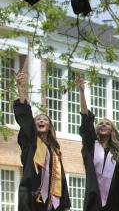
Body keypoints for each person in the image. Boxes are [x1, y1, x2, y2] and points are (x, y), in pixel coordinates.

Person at [14, 69, 71, 211]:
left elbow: (61, 178)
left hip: (52, 202)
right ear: (33, 125)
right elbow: (25, 117)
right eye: (38, 119)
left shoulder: (55, 151)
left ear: (49, 126)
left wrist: (65, 205)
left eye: (44, 119)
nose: (41, 120)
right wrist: (21, 87)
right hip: (32, 198)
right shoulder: (31, 142)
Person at [76, 77, 119, 210]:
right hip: (93, 199)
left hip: (115, 201)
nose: (103, 124)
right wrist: (82, 93)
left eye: (107, 123)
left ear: (112, 130)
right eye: (101, 123)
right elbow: (86, 119)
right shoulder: (92, 146)